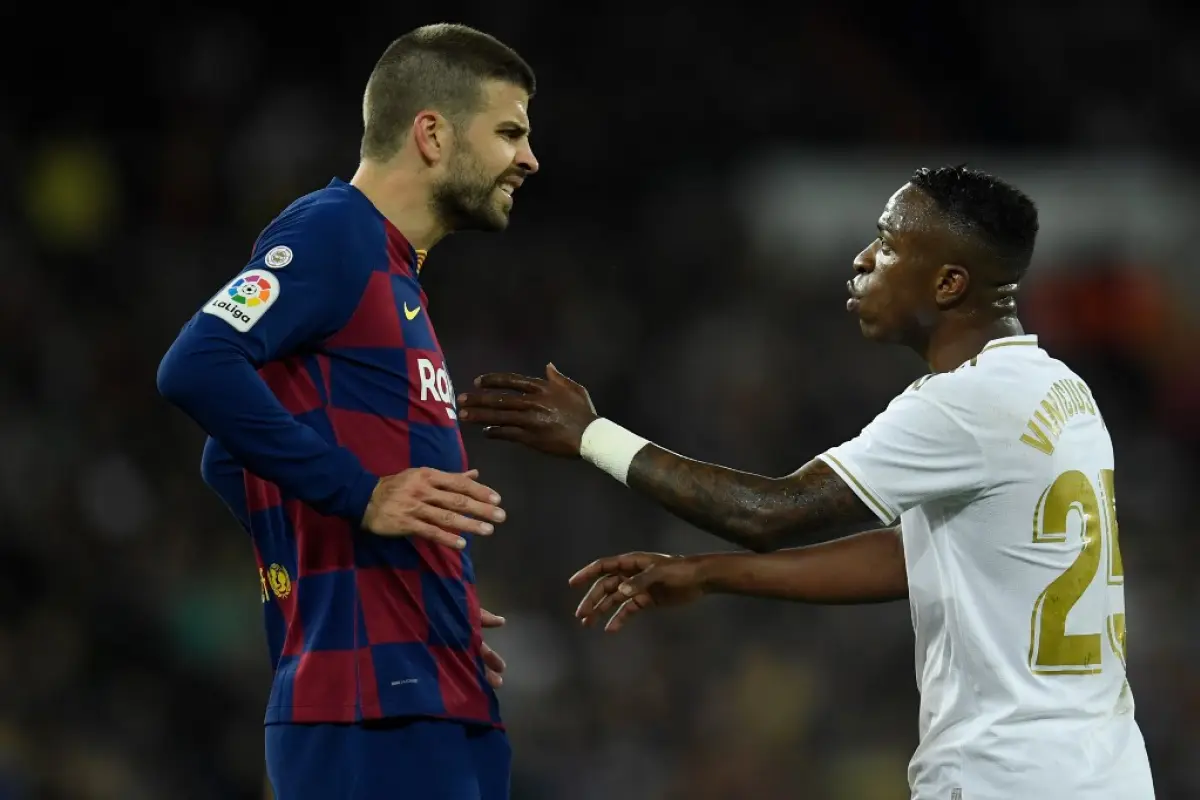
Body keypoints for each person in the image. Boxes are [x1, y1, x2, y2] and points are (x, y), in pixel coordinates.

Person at [456, 166, 1156, 800]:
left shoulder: (964, 405)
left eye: (887, 243)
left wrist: (591, 435)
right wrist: (710, 574)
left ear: (949, 284)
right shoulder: (1061, 390)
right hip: (1105, 770)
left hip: (1007, 777)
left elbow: (772, 511)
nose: (862, 259)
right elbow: (918, 557)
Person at [157, 23, 539, 800]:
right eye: (509, 132)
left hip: (434, 689)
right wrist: (358, 498)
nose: (529, 158)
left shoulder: (398, 279)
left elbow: (228, 458)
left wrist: (410, 580)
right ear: (431, 133)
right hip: (369, 708)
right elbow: (195, 364)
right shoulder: (334, 234)